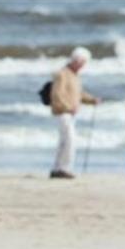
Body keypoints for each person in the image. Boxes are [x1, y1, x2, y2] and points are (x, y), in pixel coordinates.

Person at [49, 46, 101, 179]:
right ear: (76, 60)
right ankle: (64, 168)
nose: (83, 66)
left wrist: (91, 100)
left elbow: (79, 94)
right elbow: (56, 95)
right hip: (63, 112)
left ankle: (57, 168)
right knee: (71, 140)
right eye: (82, 63)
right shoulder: (62, 74)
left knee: (64, 141)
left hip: (71, 113)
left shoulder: (74, 76)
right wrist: (67, 107)